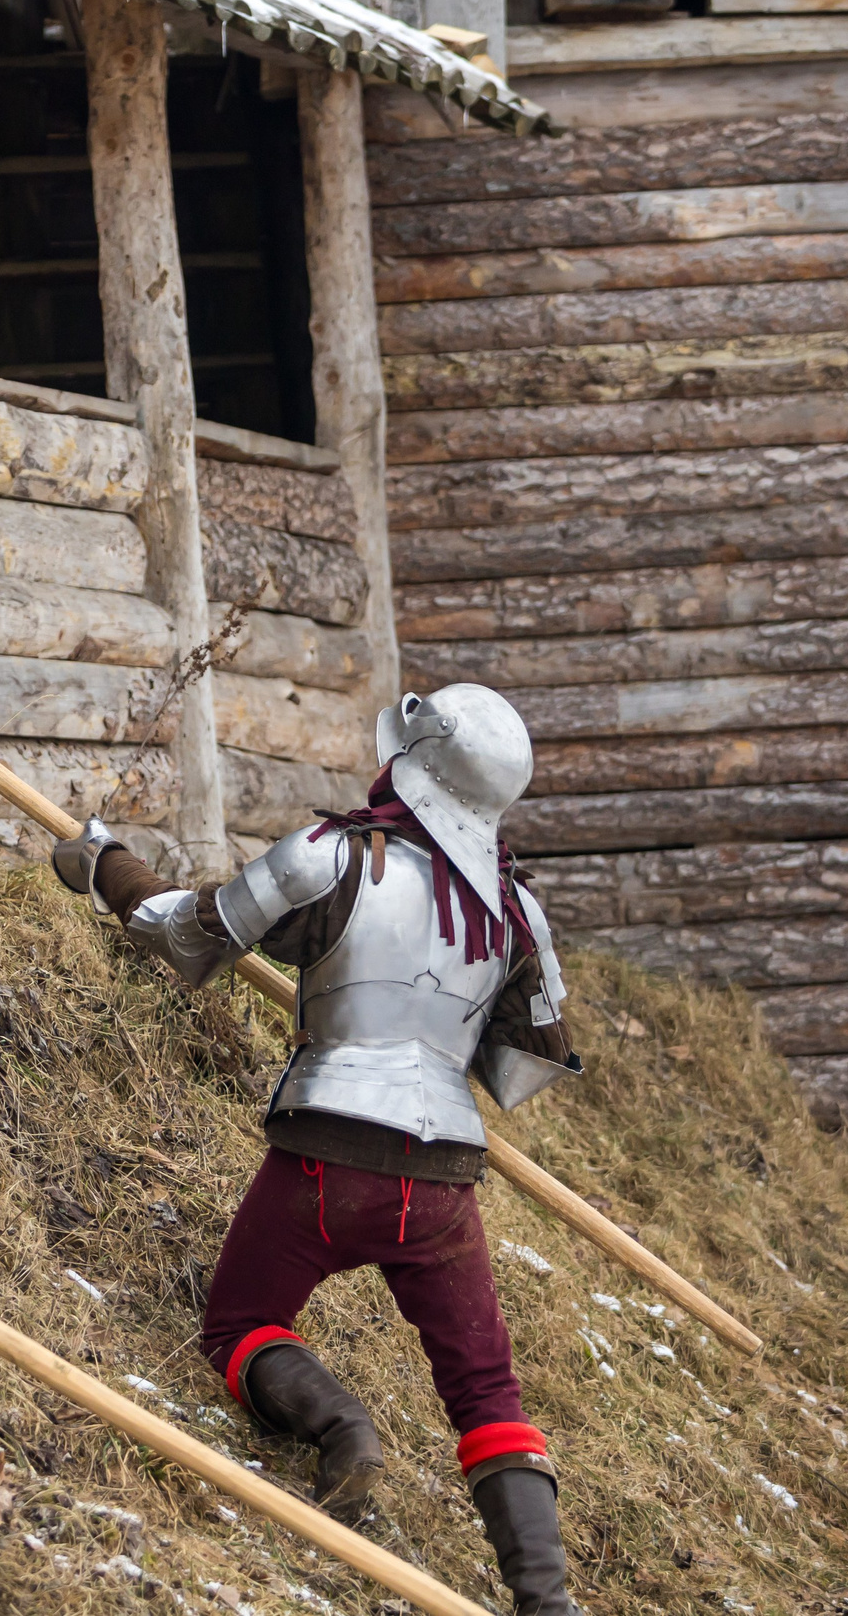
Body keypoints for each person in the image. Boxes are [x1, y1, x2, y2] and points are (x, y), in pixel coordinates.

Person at [52, 684, 586, 1616]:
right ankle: (545, 1600)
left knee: (239, 1323)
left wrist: (106, 865)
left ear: (415, 764)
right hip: (446, 1182)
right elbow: (520, 1067)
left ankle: (341, 1426)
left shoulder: (332, 857)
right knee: (484, 1386)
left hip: (324, 1158)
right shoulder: (516, 913)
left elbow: (187, 938)